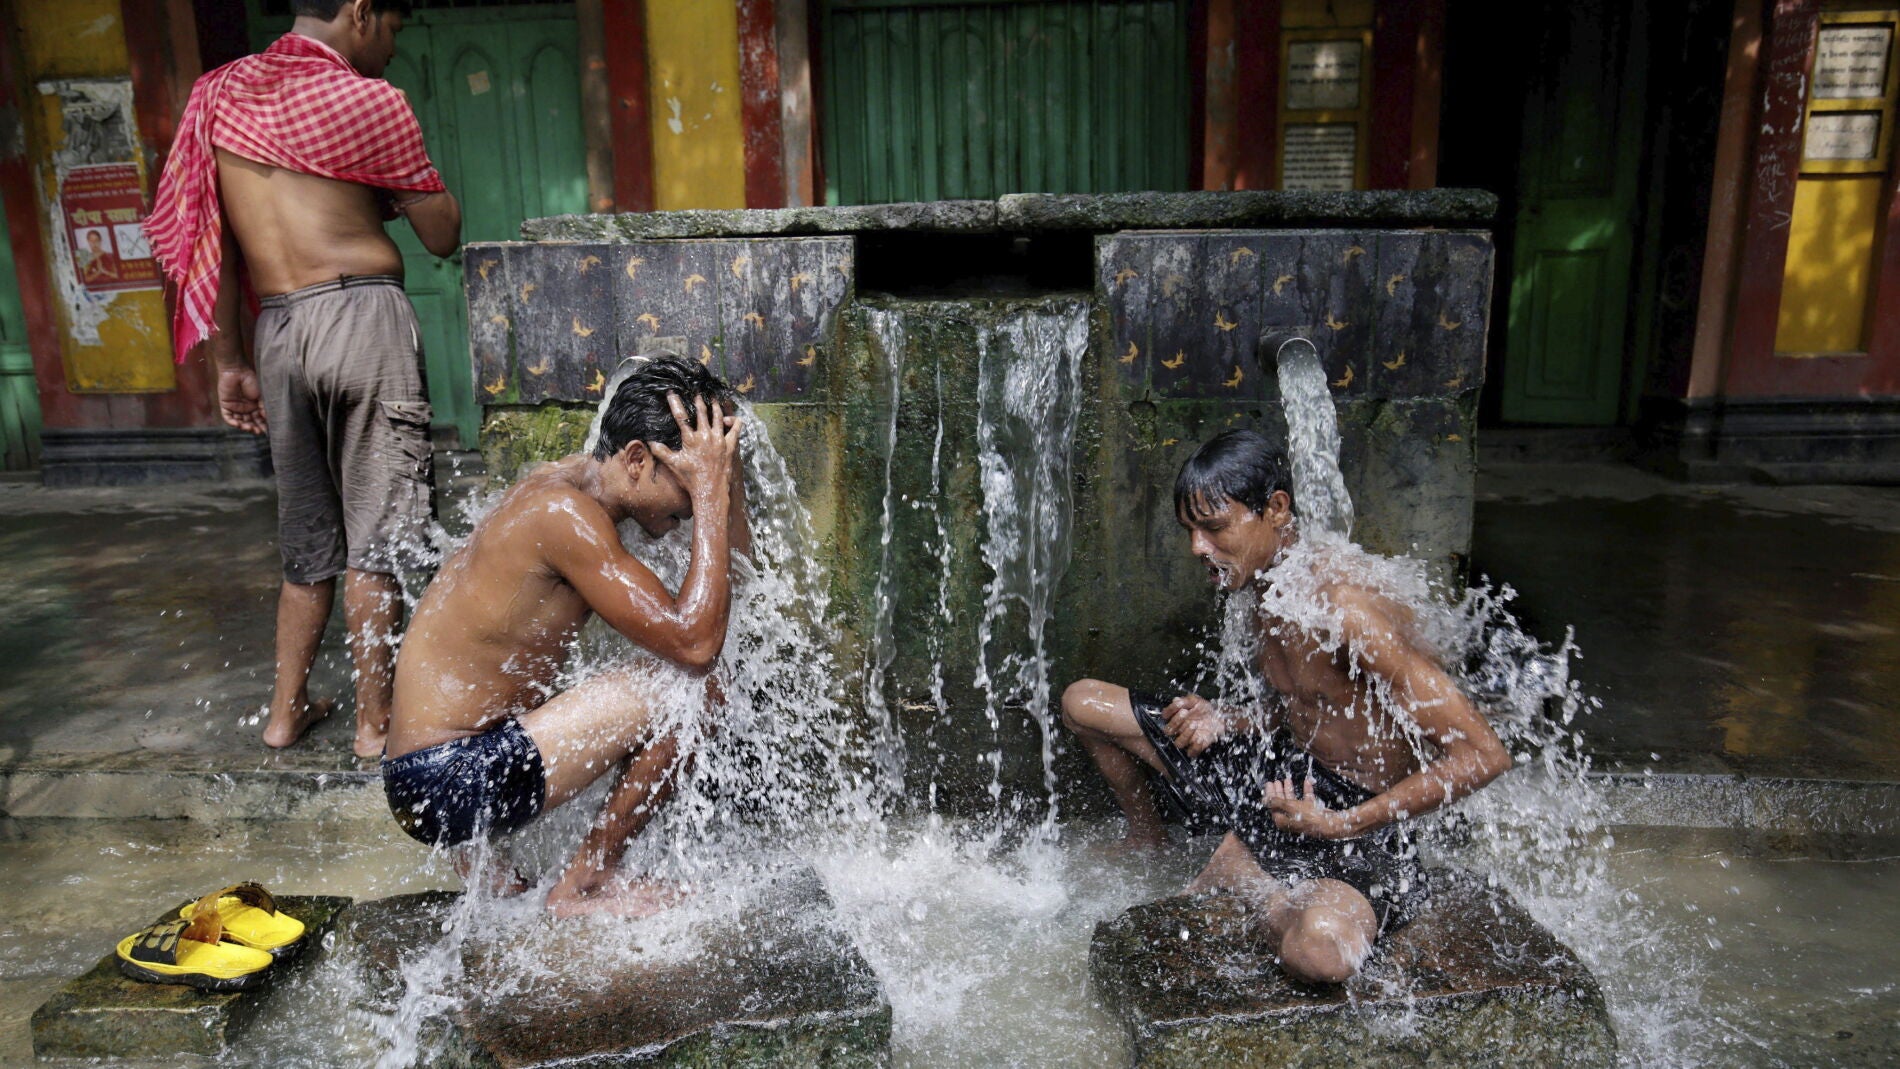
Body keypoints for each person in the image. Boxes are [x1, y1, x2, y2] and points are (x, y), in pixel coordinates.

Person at [1059, 429, 1512, 984]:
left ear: (1275, 509)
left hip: (1356, 818)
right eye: (1190, 531)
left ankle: (1249, 885)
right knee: (1082, 702)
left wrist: (1344, 823)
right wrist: (1226, 718)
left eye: (1214, 527)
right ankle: (1149, 838)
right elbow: (1311, 706)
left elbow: (1483, 755)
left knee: (1322, 954)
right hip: (1283, 776)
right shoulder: (1263, 581)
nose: (1197, 548)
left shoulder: (1347, 610)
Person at [148, 0, 461, 758]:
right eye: (393, 30)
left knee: (308, 539)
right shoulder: (367, 101)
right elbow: (442, 234)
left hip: (279, 330)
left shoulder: (219, 97)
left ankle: (285, 714)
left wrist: (231, 363)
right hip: (362, 319)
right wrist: (394, 188)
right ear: (361, 12)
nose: (392, 49)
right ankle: (374, 725)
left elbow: (212, 245)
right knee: (376, 537)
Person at [382, 357, 749, 918]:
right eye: (688, 477)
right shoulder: (565, 516)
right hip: (446, 780)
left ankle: (499, 877)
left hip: (428, 773)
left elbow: (736, 575)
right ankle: (587, 883)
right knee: (697, 687)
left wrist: (722, 478)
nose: (692, 503)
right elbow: (697, 645)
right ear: (636, 459)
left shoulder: (563, 485)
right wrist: (710, 494)